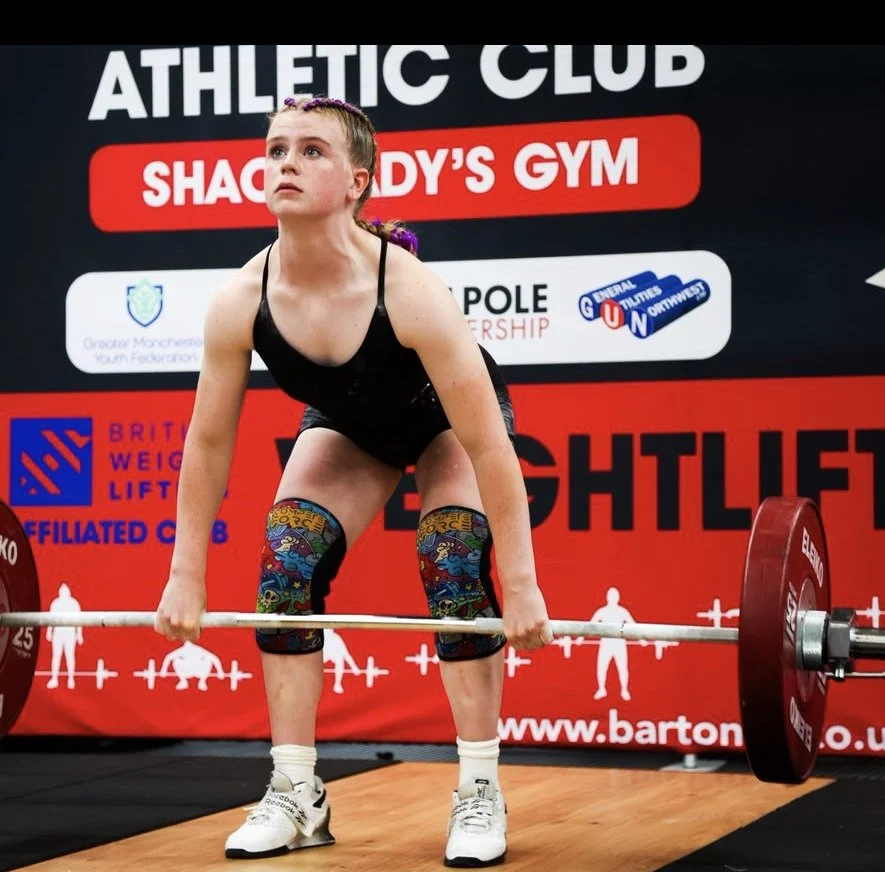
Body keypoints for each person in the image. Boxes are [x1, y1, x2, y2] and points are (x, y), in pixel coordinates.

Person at [153, 94, 553, 868]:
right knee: (285, 564)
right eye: (275, 150)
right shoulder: (242, 299)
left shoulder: (407, 290)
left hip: (448, 429)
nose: (285, 164)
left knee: (450, 560)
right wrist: (185, 574)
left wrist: (525, 583)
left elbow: (491, 445)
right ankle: (296, 790)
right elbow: (207, 445)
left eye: (311, 151)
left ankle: (478, 787)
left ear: (358, 181)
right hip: (354, 430)